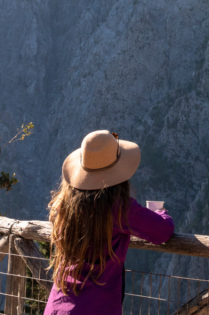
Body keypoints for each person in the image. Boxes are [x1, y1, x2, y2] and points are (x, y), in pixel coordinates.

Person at [44, 130, 174, 314]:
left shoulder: (65, 206)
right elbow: (163, 231)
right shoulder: (118, 209)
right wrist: (160, 212)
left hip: (58, 307)